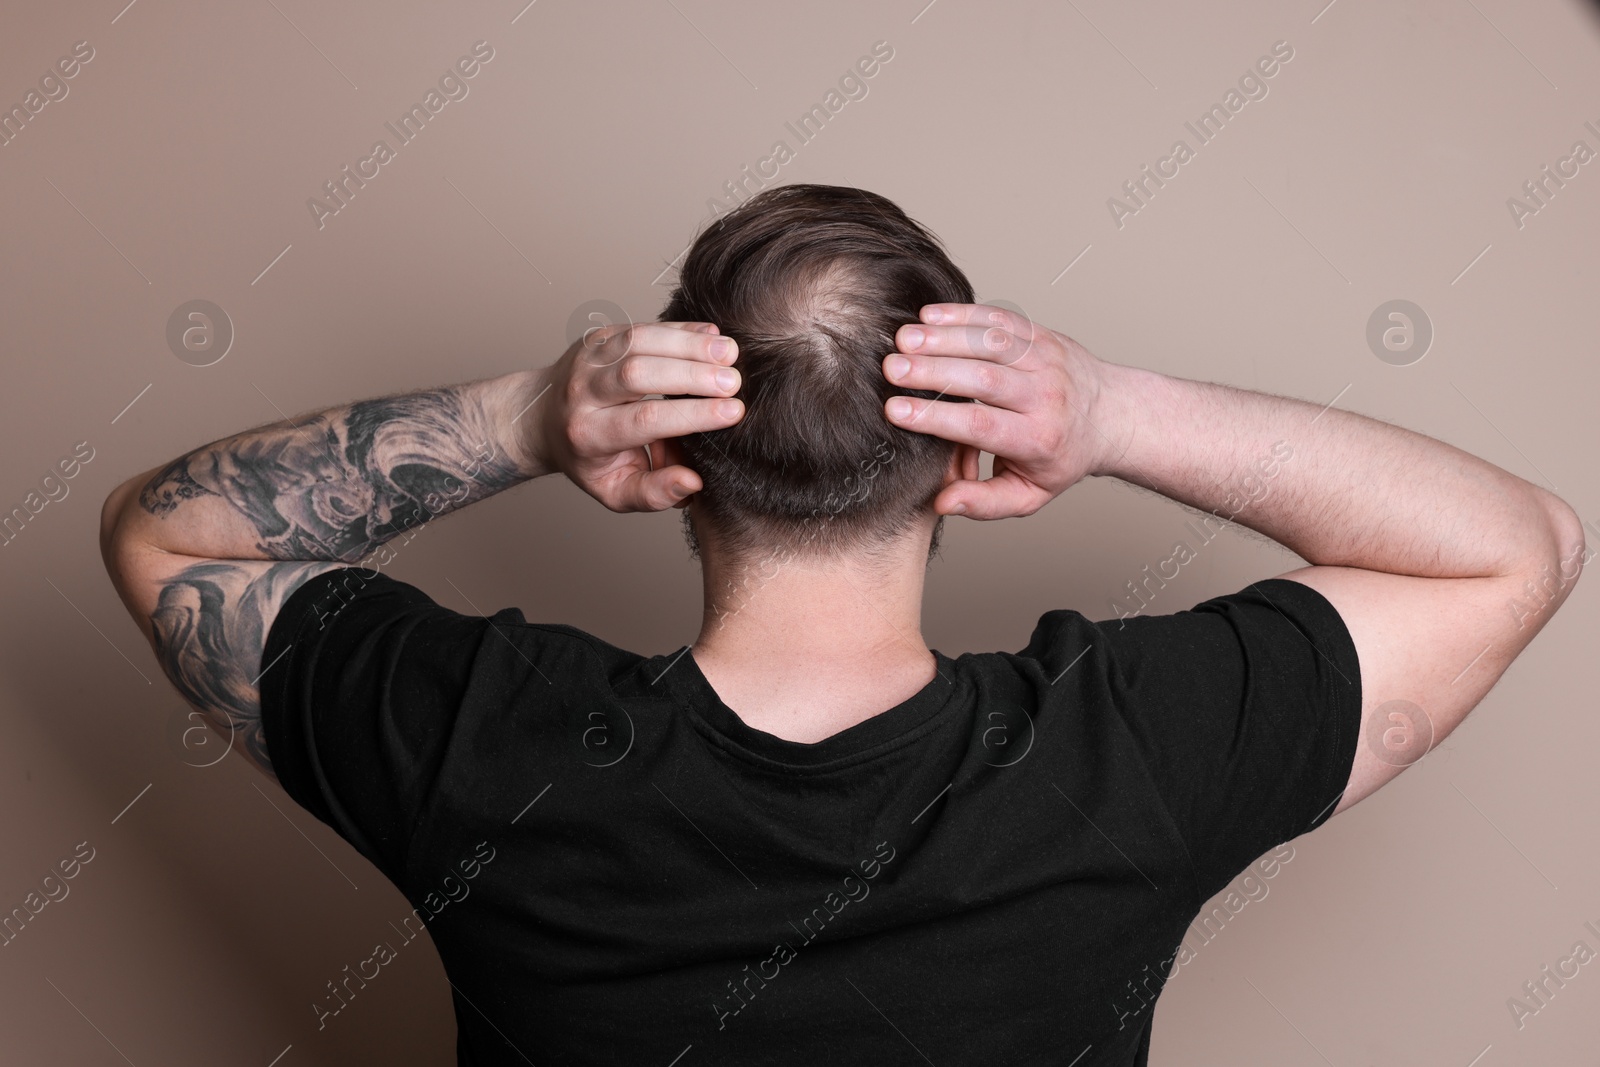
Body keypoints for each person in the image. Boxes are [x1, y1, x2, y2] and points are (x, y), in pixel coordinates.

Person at [99, 184, 1585, 1065]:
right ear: (967, 456)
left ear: (669, 457)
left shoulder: (488, 743)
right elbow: (1517, 550)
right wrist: (1116, 411)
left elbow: (167, 532)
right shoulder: (1133, 755)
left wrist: (528, 417)